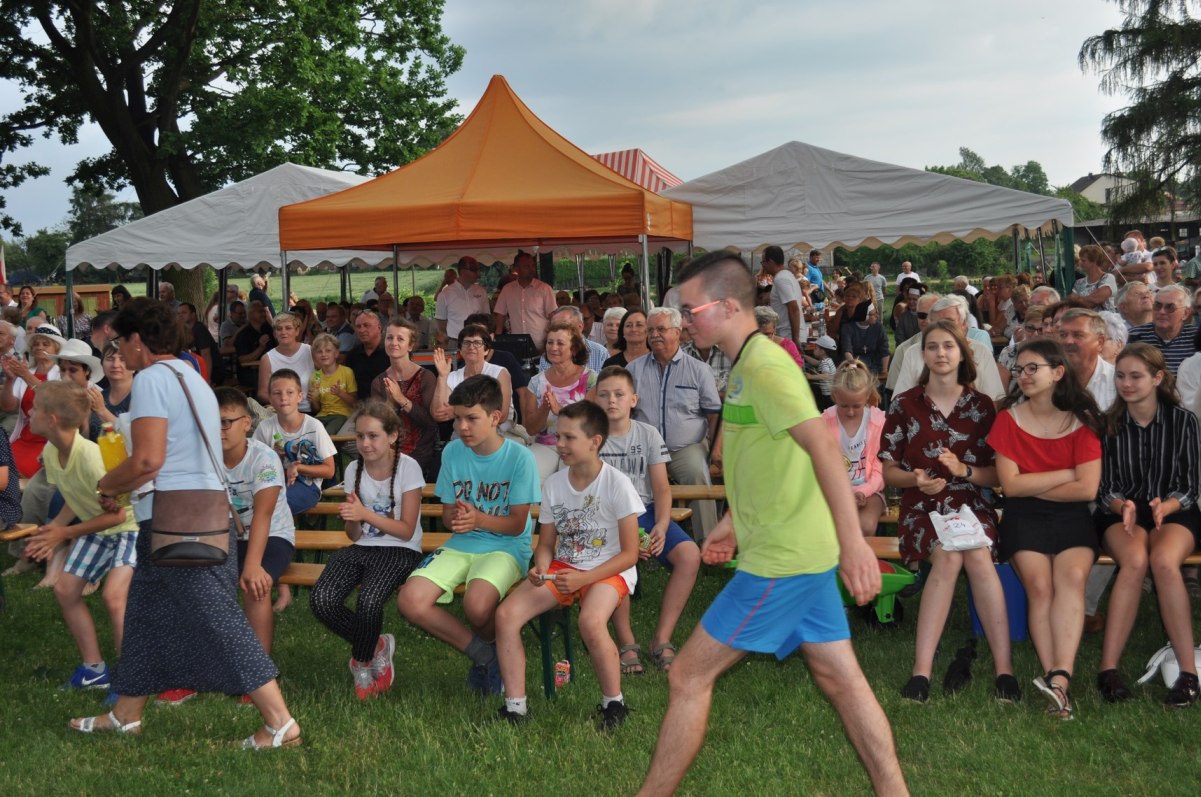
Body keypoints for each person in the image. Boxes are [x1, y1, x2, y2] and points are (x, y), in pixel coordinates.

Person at [635, 252, 905, 797]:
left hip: (783, 562)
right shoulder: (743, 365)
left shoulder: (766, 367)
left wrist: (855, 545)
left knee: (687, 676)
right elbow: (770, 459)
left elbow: (823, 450)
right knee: (842, 681)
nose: (683, 322)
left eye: (691, 311)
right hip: (796, 553)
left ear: (728, 306)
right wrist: (734, 522)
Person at [78, 296, 300, 748]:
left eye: (120, 342)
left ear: (138, 340)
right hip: (191, 515)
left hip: (177, 521)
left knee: (220, 619)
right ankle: (126, 714)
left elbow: (147, 460)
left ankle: (281, 723)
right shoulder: (189, 374)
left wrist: (107, 485)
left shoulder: (151, 379)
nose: (117, 352)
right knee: (143, 616)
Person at [880, 321, 1017, 704]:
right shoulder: (904, 404)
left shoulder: (982, 406)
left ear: (961, 354)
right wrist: (914, 479)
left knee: (977, 555)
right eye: (933, 347)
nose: (941, 353)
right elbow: (888, 470)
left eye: (948, 346)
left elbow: (996, 476)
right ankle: (921, 671)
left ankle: (1004, 669)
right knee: (947, 556)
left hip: (970, 503)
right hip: (921, 506)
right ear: (922, 355)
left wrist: (964, 471)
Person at [495, 400, 643, 728]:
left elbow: (630, 555)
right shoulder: (554, 484)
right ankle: (515, 707)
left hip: (610, 568)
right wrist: (541, 567)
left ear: (595, 441)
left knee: (590, 621)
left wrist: (584, 579)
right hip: (564, 568)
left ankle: (614, 704)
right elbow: (546, 544)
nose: (559, 444)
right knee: (506, 615)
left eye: (568, 438)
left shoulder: (617, 483)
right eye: (558, 436)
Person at [399, 374, 539, 693]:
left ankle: (492, 650)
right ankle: (486, 655)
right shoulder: (452, 452)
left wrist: (478, 519)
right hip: (462, 544)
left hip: (506, 547)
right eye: (457, 418)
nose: (462, 427)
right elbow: (449, 516)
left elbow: (518, 524)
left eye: (471, 418)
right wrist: (458, 520)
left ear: (495, 417)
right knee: (410, 600)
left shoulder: (520, 458)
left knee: (477, 606)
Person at [988, 338, 1103, 720]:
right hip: (1023, 516)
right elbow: (1011, 486)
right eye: (1019, 369)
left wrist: (1033, 481)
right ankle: (1055, 675)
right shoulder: (1008, 419)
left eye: (1032, 368)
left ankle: (1059, 680)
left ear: (1057, 372)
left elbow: (1087, 490)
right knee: (1040, 588)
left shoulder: (1083, 421)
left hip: (1073, 517)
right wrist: (1066, 473)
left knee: (1071, 580)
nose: (1024, 375)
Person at [1091, 343, 1200, 708]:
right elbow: (1104, 487)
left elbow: (1190, 485)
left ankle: (1188, 674)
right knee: (1135, 561)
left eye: (1136, 376)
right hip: (1120, 509)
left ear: (1157, 378)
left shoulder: (1183, 421)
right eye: (1120, 376)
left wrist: (1166, 505)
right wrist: (1122, 506)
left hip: (1174, 507)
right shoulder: (1108, 423)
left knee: (1165, 562)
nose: (1126, 383)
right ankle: (1108, 670)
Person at [23, 381, 137, 695]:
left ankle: (128, 680)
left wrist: (64, 532)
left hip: (128, 528)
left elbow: (117, 515)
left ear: (52, 420)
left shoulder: (91, 458)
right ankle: (94, 670)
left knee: (114, 598)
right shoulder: (52, 451)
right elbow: (75, 496)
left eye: (35, 408)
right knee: (65, 589)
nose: (29, 412)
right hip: (95, 527)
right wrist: (53, 530)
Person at [309, 400, 425, 700]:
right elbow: (354, 534)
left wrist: (364, 514)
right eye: (360, 436)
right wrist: (352, 519)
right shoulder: (354, 469)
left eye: (373, 436)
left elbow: (406, 530)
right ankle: (376, 646)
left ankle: (361, 664)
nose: (365, 443)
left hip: (400, 550)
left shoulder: (408, 468)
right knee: (322, 600)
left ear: (392, 436)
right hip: (363, 547)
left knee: (370, 601)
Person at [597, 366, 700, 675]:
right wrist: (629, 539)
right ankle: (626, 641)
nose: (611, 401)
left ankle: (661, 637)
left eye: (619, 394)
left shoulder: (647, 434)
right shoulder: (590, 437)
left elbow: (662, 489)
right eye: (604, 395)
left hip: (646, 512)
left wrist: (662, 525)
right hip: (607, 518)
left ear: (634, 400)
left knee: (689, 555)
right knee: (621, 558)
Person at [627, 307, 722, 540]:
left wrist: (716, 450)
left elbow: (714, 414)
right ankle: (638, 541)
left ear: (677, 332)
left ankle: (707, 541)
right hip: (645, 448)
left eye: (661, 329)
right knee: (626, 478)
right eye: (651, 330)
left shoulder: (699, 370)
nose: (654, 335)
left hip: (685, 448)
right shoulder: (634, 369)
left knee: (697, 474)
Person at [216, 388, 296, 658]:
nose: (219, 430)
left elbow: (264, 514)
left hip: (273, 535)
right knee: (201, 584)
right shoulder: (207, 458)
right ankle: (217, 660)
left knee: (255, 585)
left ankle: (260, 669)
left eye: (226, 422)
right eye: (211, 422)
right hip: (227, 534)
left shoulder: (264, 458)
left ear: (246, 423)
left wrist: (252, 565)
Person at [253, 369, 336, 516]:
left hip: (306, 486)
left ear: (300, 397)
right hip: (273, 481)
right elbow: (254, 463)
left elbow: (329, 471)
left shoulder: (314, 426)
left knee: (274, 504)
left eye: (290, 392)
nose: (283, 397)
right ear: (270, 399)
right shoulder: (265, 428)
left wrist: (298, 468)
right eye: (277, 393)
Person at [822, 361, 887, 537]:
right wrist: (841, 493)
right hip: (834, 490)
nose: (850, 412)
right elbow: (820, 464)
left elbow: (881, 467)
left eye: (856, 406)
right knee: (828, 525)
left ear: (867, 397)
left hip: (870, 490)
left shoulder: (878, 422)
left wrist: (861, 491)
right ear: (834, 396)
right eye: (844, 406)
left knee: (864, 526)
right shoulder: (823, 422)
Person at [525, 321, 597, 476]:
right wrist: (545, 407)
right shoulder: (536, 382)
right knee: (529, 472)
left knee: (571, 478)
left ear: (574, 348)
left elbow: (592, 421)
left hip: (579, 444)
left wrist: (561, 411)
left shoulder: (591, 379)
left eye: (560, 343)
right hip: (545, 445)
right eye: (550, 342)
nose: (553, 347)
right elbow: (530, 429)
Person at [370, 318, 438, 482]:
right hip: (389, 451)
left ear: (410, 345)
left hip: (421, 450)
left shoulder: (426, 377)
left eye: (400, 338)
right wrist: (390, 403)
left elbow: (430, 423)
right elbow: (379, 425)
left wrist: (401, 399)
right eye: (389, 337)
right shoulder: (378, 381)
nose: (393, 342)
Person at [1, 324, 63, 477]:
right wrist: (10, 380)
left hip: (50, 441)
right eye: (36, 344)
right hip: (25, 437)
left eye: (45, 344)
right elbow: (9, 407)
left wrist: (25, 376)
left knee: (15, 472)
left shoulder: (62, 373)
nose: (39, 347)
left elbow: (53, 401)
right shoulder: (28, 372)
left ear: (57, 348)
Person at [430, 324, 513, 433]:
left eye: (477, 343)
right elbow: (437, 414)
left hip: (497, 435)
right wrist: (442, 377)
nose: (471, 347)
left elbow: (501, 415)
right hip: (462, 437)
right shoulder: (452, 376)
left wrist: (456, 411)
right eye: (466, 342)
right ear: (460, 350)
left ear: (486, 350)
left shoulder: (499, 372)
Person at [492, 251, 557, 350]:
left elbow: (553, 317)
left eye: (533, 266)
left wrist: (553, 340)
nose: (531, 269)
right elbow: (500, 315)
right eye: (526, 266)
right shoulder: (507, 289)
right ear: (516, 269)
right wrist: (497, 339)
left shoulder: (545, 289)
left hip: (541, 346)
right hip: (517, 345)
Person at [1128, 283, 1195, 374]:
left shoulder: (1196, 338)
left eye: (1170, 307)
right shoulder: (1135, 335)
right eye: (1157, 306)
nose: (1162, 312)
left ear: (1185, 313)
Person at [257, 313, 313, 413]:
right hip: (282, 412)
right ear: (274, 334)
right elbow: (262, 393)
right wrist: (284, 402)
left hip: (311, 410)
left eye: (288, 328)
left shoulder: (310, 351)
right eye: (279, 329)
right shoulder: (267, 358)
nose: (283, 332)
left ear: (297, 331)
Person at [308, 333, 358, 435]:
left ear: (336, 353)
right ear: (315, 356)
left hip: (342, 415)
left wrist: (340, 393)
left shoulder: (347, 372)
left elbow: (354, 403)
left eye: (328, 350)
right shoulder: (315, 377)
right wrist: (313, 400)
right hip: (322, 416)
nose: (323, 354)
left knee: (327, 433)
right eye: (319, 351)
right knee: (309, 431)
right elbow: (316, 409)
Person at [435, 256, 490, 346]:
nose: (478, 274)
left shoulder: (482, 292)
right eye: (474, 270)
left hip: (477, 342)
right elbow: (441, 324)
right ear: (462, 271)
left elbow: (486, 319)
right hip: (454, 342)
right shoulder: (445, 294)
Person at [537, 305, 608, 373]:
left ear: (580, 326)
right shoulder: (548, 356)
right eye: (554, 327)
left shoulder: (600, 352)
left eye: (564, 326)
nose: (558, 331)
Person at [761, 245, 804, 347]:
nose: (763, 266)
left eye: (763, 262)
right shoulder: (787, 276)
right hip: (789, 336)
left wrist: (795, 339)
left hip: (788, 336)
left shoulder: (781, 279)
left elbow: (793, 308)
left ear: (770, 262)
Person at [347, 310, 389, 401]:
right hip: (359, 406)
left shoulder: (390, 353)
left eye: (366, 325)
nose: (361, 330)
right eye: (358, 326)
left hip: (386, 406)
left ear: (379, 327)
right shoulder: (352, 356)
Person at [234, 300, 275, 389]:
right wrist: (261, 348)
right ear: (251, 314)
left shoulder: (268, 329)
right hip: (250, 373)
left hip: (269, 369)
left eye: (264, 311)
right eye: (260, 312)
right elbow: (242, 360)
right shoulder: (243, 335)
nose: (263, 314)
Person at [841, 301, 890, 374]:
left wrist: (884, 370)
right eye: (873, 314)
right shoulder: (848, 328)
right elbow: (847, 350)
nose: (877, 316)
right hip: (855, 364)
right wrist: (855, 370)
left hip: (875, 365)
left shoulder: (878, 327)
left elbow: (884, 350)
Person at [1072, 245, 1118, 312]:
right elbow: (1072, 302)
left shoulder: (1108, 278)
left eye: (1083, 260)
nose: (1080, 263)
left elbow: (1098, 299)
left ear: (1094, 262)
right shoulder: (1079, 282)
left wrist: (1078, 299)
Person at [804, 334, 838, 410]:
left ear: (822, 351)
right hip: (832, 393)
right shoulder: (828, 360)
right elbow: (815, 363)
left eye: (816, 348)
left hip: (828, 395)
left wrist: (810, 376)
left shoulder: (825, 363)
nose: (814, 350)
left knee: (824, 410)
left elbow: (826, 376)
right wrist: (804, 356)